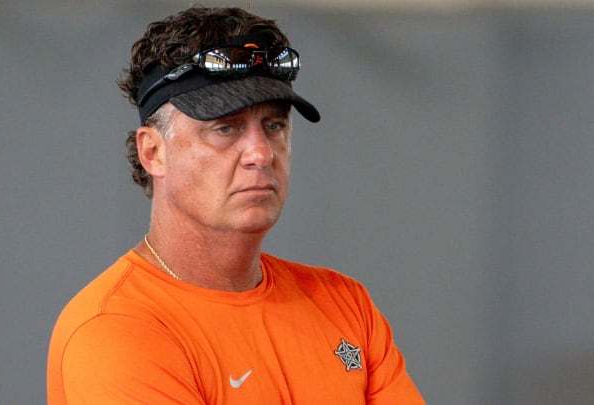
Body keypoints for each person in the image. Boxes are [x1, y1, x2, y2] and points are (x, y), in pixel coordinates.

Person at [47, 6, 424, 404]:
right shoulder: (115, 329)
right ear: (153, 152)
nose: (260, 153)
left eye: (274, 126)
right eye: (225, 128)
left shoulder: (345, 304)